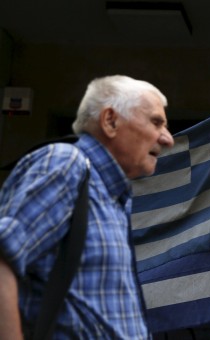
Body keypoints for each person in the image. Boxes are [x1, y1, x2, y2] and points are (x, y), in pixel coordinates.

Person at [0, 75, 174, 338]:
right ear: (110, 121)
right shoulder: (65, 164)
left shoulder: (110, 195)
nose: (167, 139)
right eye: (156, 122)